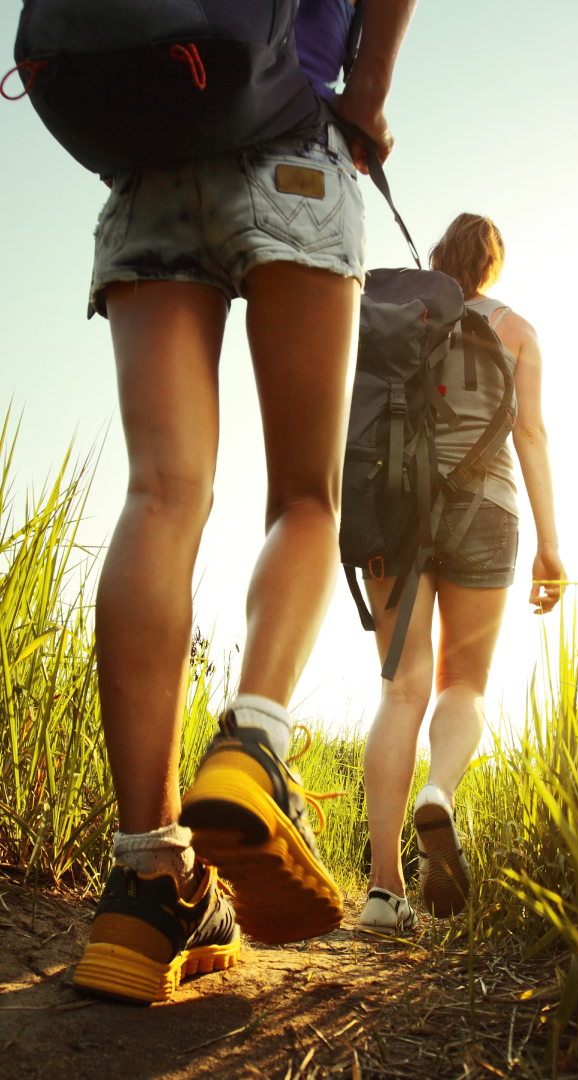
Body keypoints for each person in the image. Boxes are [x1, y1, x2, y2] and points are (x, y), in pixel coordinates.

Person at [72, 0, 418, 1004]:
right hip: (291, 138)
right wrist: (369, 97)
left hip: (149, 156)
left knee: (160, 492)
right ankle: (251, 746)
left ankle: (148, 880)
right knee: (304, 496)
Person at [359, 213, 566, 934]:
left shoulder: (399, 318)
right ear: (493, 266)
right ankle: (439, 791)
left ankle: (384, 894)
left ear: (441, 259)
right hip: (488, 509)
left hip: (394, 508)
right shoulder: (518, 331)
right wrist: (550, 545)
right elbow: (531, 436)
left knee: (401, 688)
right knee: (463, 684)